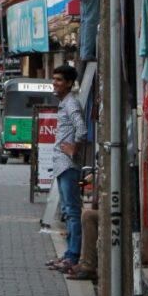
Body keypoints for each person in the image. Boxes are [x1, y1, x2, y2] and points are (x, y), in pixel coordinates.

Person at [44, 63, 90, 278]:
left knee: (72, 211)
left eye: (59, 80)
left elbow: (82, 129)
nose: (55, 83)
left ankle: (73, 256)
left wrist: (74, 148)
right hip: (62, 163)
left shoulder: (71, 104)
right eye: (54, 79)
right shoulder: (64, 103)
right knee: (68, 210)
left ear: (70, 83)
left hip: (68, 164)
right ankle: (68, 254)